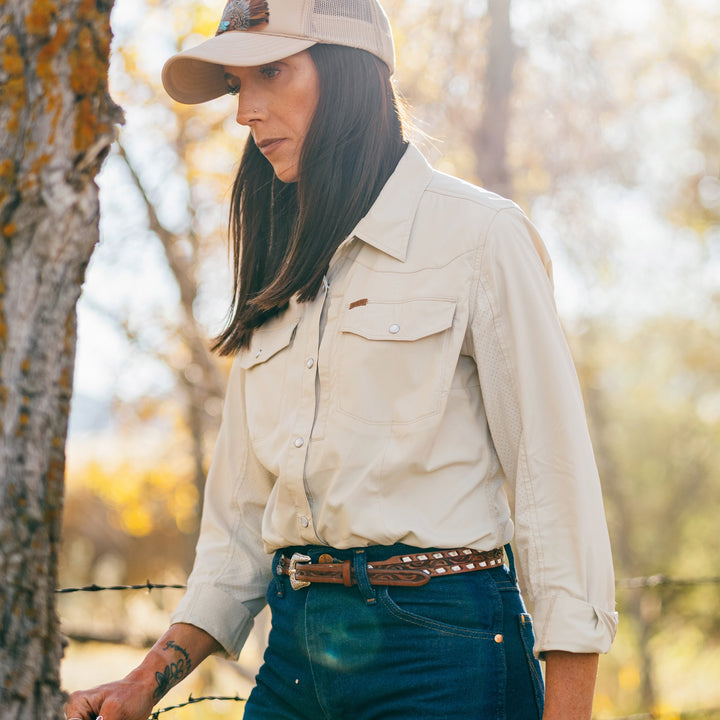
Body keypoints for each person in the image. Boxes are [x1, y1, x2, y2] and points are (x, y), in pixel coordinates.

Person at [65, 0, 618, 718]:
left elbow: (555, 490)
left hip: (445, 656)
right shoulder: (275, 263)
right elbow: (237, 529)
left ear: (352, 72)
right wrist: (149, 677)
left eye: (271, 72)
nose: (245, 113)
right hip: (294, 654)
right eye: (238, 86)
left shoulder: (481, 238)